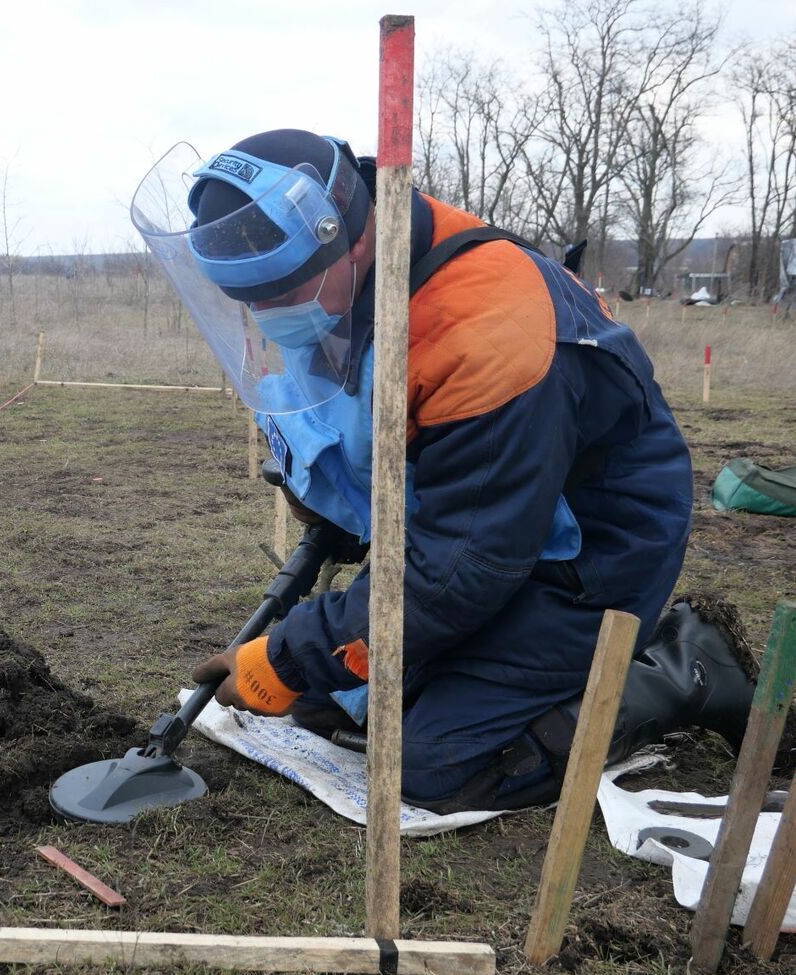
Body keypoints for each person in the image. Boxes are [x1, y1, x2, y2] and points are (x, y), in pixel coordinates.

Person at [131, 129, 755, 812]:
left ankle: (679, 669)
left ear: (354, 238)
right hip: (480, 524)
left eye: (282, 291)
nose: (267, 312)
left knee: (434, 763)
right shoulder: (354, 288)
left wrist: (285, 653)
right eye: (251, 299)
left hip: (591, 550)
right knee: (330, 705)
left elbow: (464, 569)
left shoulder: (486, 326)